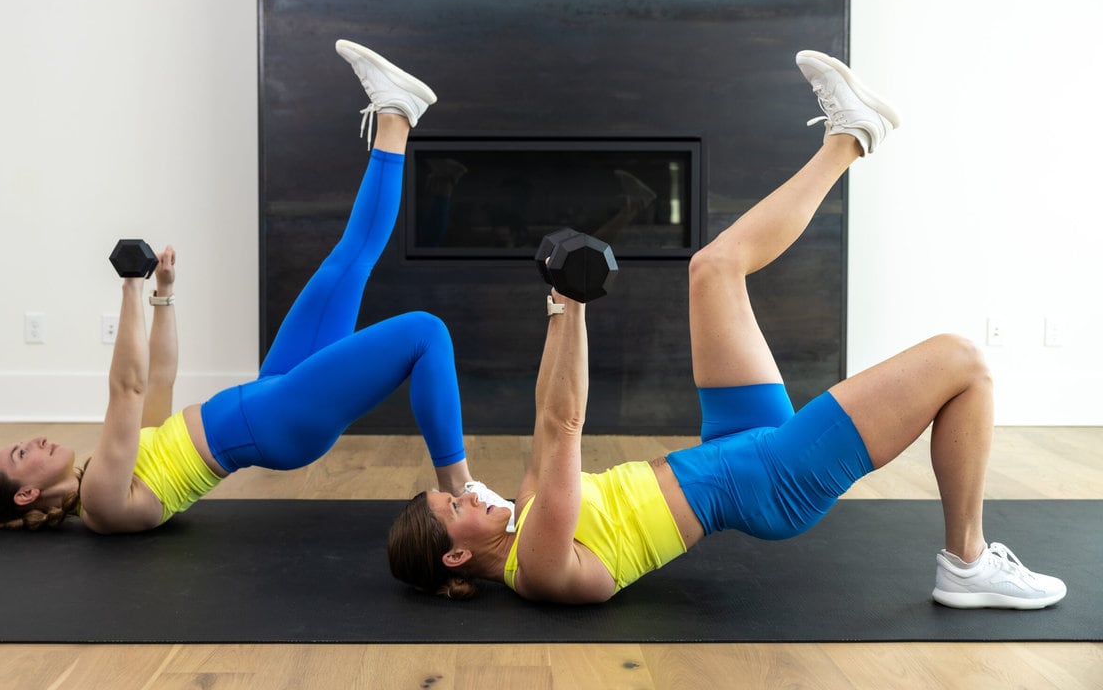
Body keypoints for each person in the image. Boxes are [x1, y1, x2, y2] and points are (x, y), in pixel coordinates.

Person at [387, 50, 1068, 611]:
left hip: (734, 447)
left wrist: (561, 304)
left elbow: (543, 418)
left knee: (714, 267)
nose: (468, 487)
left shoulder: (525, 510)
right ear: (457, 554)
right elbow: (566, 424)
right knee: (964, 360)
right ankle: (968, 559)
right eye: (456, 502)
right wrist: (570, 300)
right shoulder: (536, 564)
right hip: (771, 481)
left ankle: (851, 137)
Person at [0, 40, 500, 533]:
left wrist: (163, 295)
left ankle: (396, 115)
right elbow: (125, 390)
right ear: (27, 494)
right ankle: (459, 486)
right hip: (278, 421)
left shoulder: (118, 466)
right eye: (20, 455)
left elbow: (156, 382)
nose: (31, 442)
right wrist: (129, 288)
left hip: (272, 393)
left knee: (347, 263)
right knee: (424, 332)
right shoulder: (104, 501)